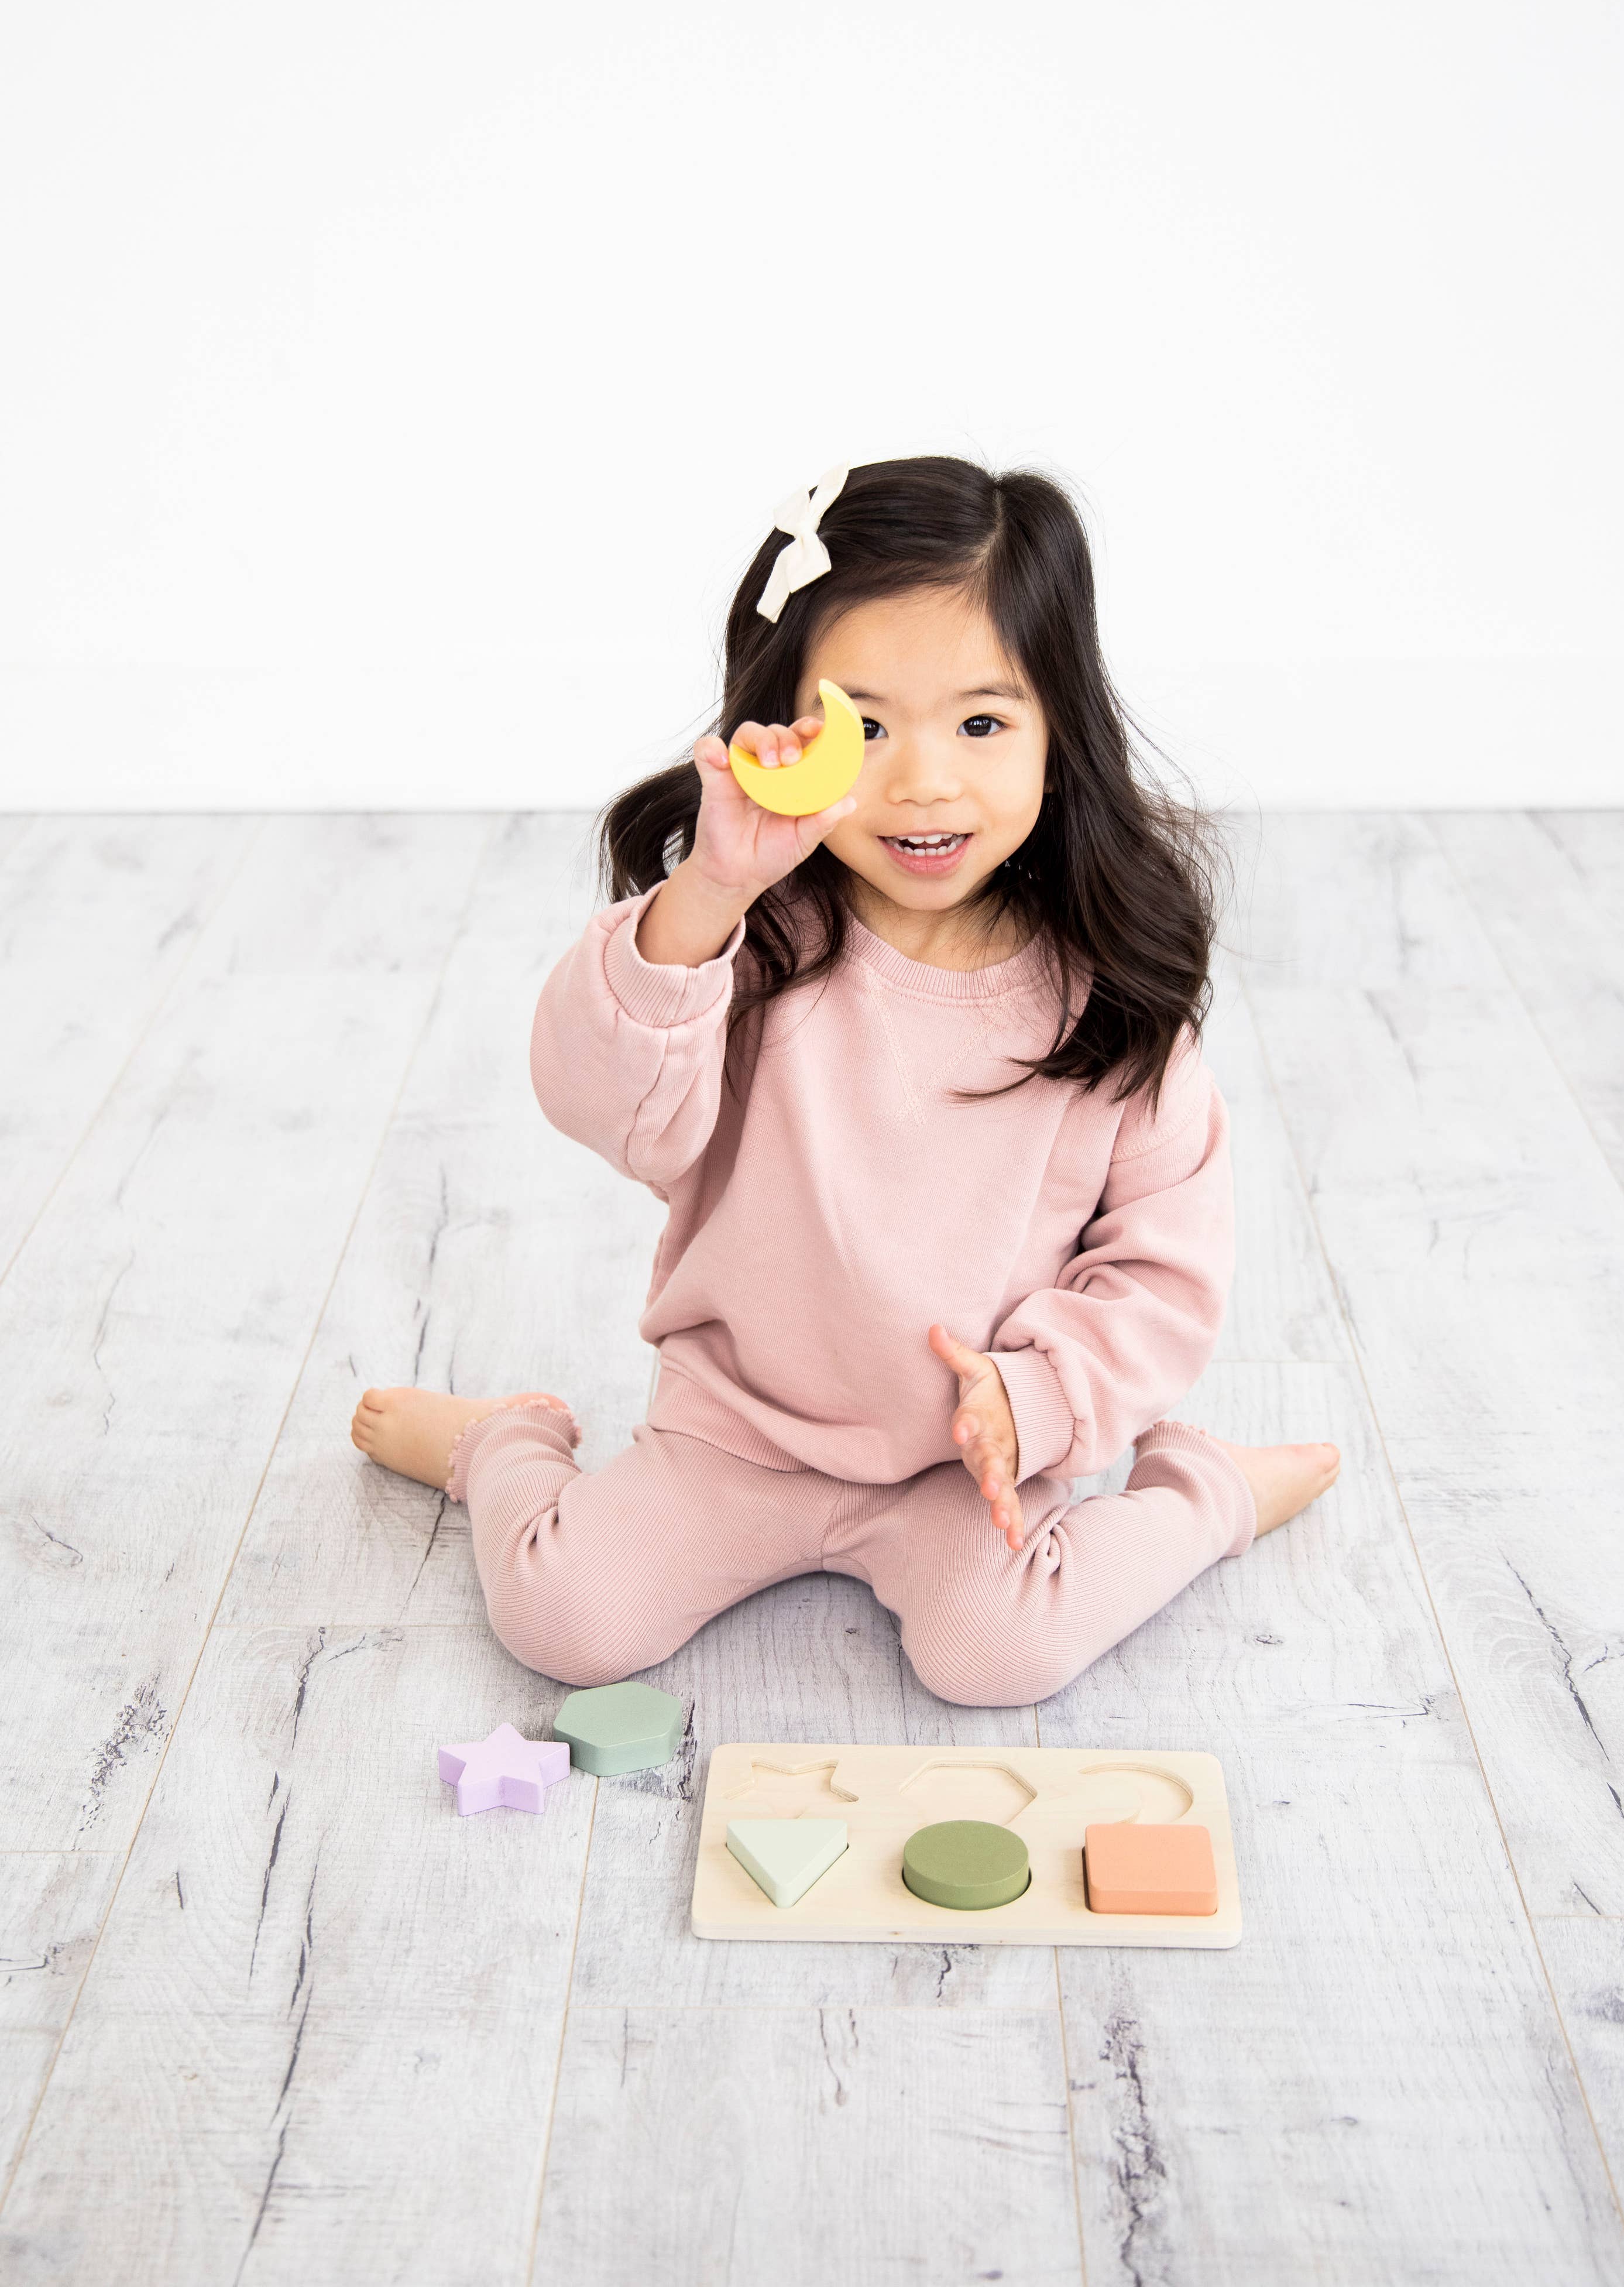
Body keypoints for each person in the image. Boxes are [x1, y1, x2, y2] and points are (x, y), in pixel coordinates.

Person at [352, 455, 1339, 1706]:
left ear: (1058, 732)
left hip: (961, 1458)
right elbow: (601, 1103)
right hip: (736, 1429)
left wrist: (1030, 1399)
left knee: (1002, 1654)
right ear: (788, 735)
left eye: (982, 723)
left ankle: (1205, 1493)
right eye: (866, 728)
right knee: (567, 1620)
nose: (924, 780)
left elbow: (1162, 1270)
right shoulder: (752, 939)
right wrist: (709, 892)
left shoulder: (1112, 1006)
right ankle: (502, 1442)